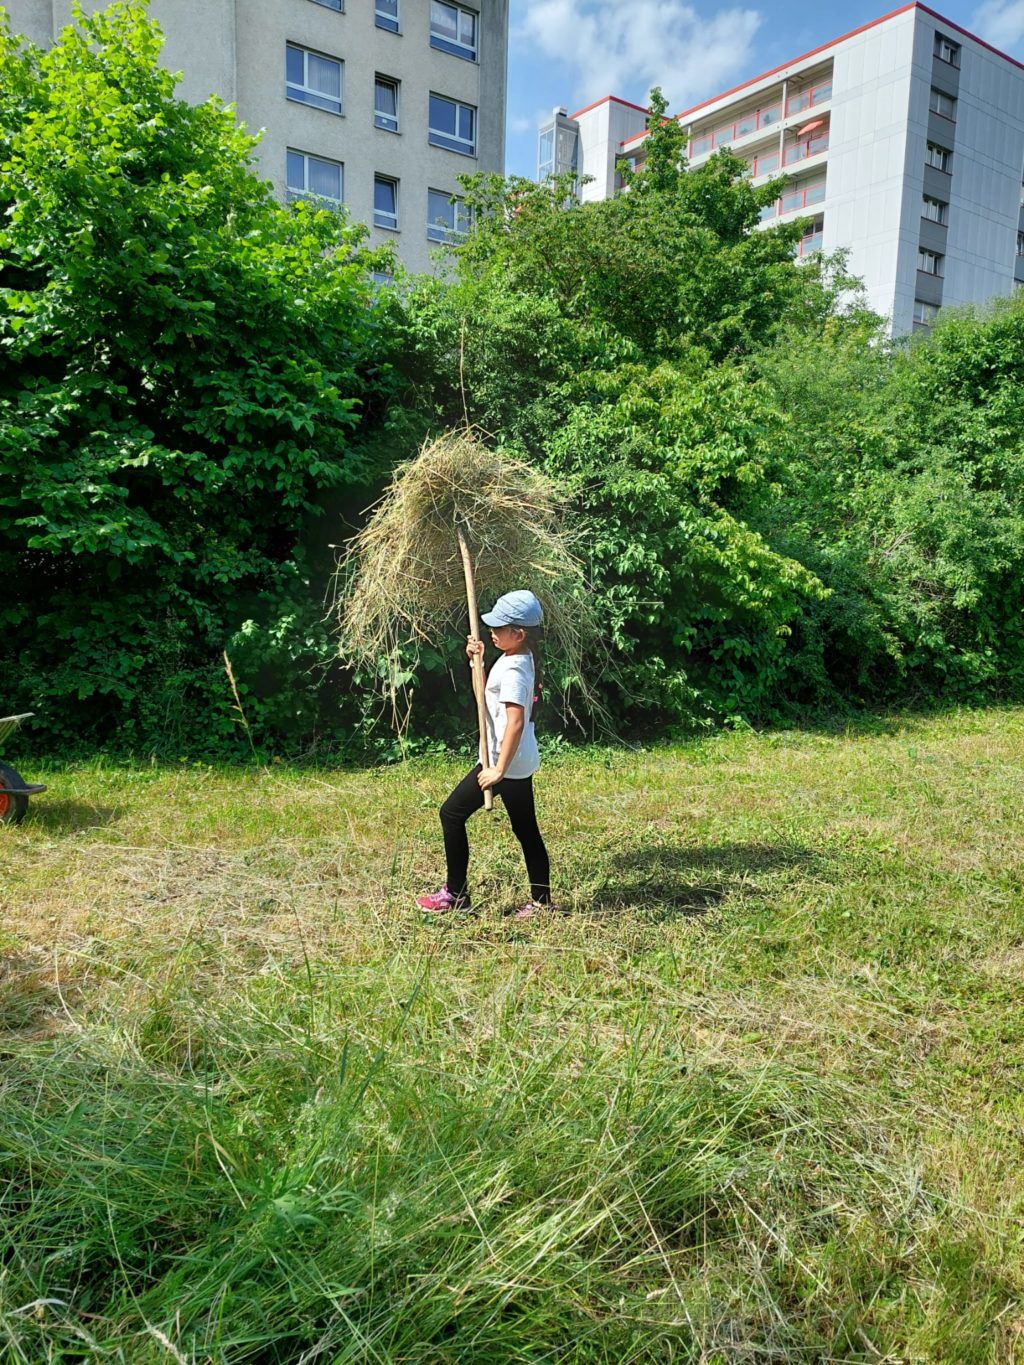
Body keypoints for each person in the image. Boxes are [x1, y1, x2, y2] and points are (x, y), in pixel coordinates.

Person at [417, 589, 552, 921]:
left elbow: (515, 722)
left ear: (518, 634)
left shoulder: (515, 670)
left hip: (502, 760)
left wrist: (497, 771)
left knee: (451, 814)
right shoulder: (515, 658)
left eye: (498, 626)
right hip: (515, 761)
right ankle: (542, 903)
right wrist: (475, 662)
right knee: (526, 830)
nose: (491, 630)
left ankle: (456, 895)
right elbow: (484, 700)